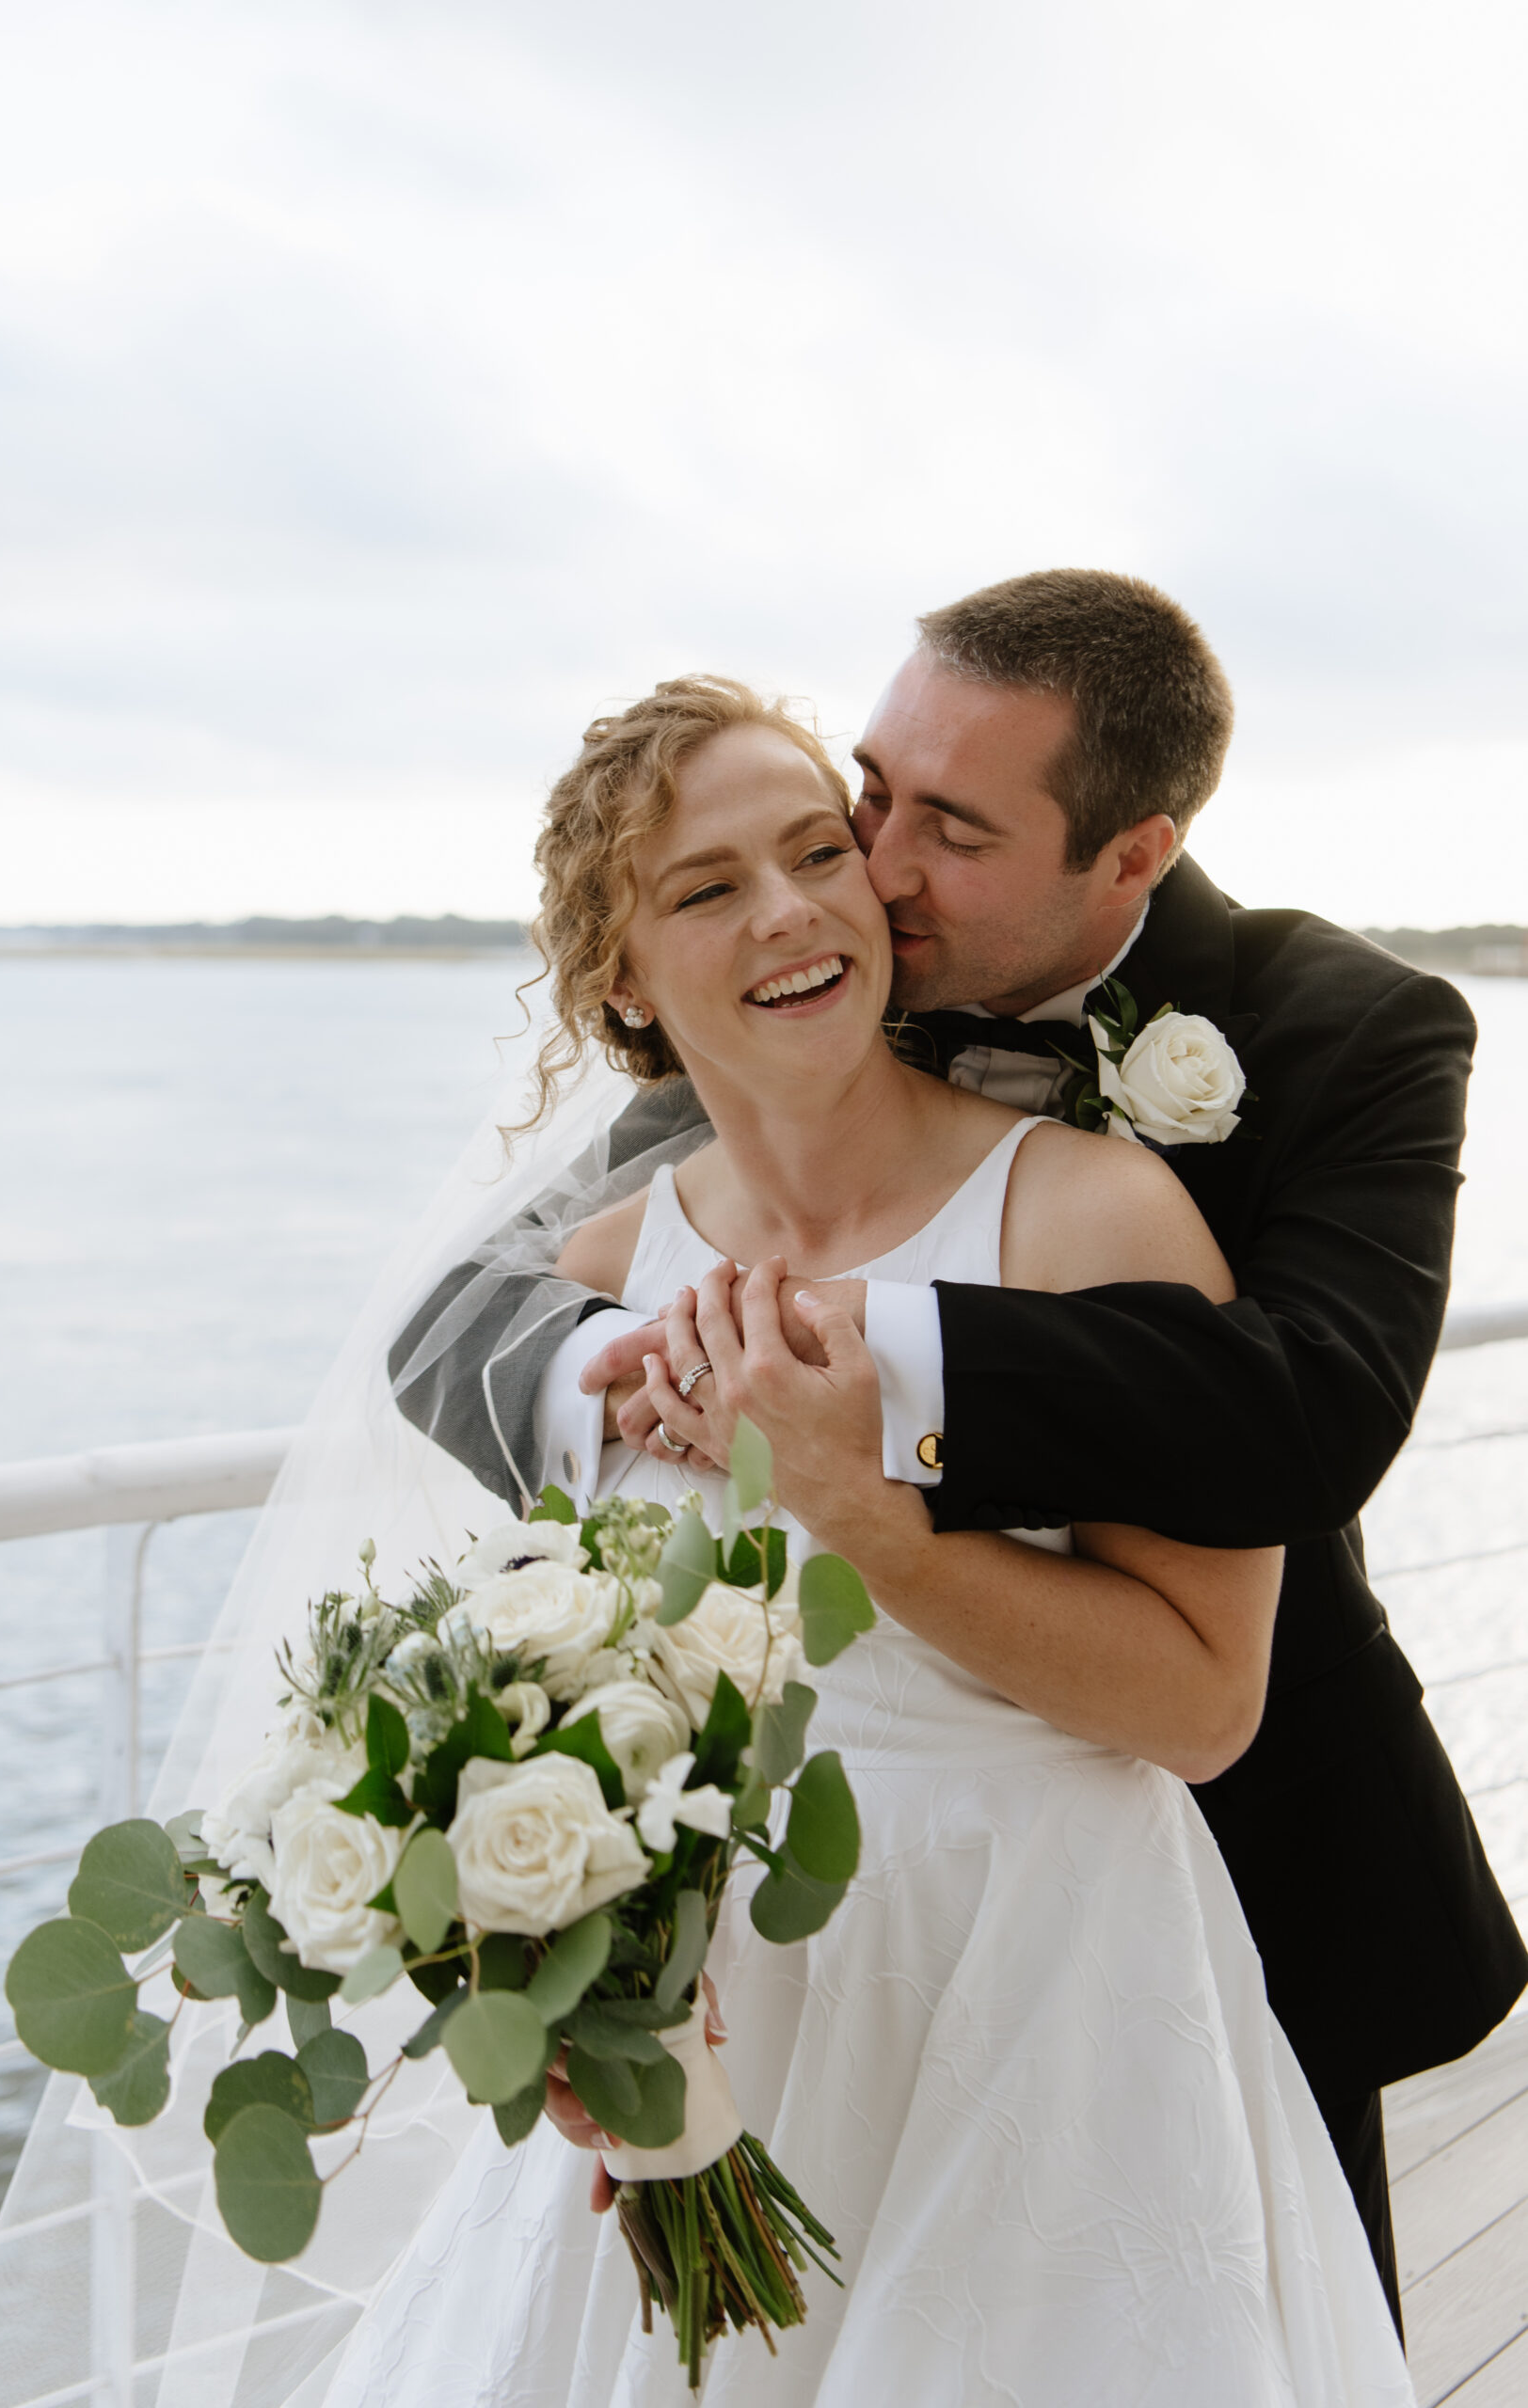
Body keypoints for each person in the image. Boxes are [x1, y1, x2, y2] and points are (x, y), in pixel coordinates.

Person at [391, 573, 1528, 2337]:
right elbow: (456, 1312)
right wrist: (635, 1376)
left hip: (1224, 1846)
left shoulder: (1348, 1031)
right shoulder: (786, 1000)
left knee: (1246, 2317)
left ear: (1127, 858)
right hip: (789, 1945)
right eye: (874, 788)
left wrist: (857, 1375)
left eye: (952, 827)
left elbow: (1298, 1417)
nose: (874, 859)